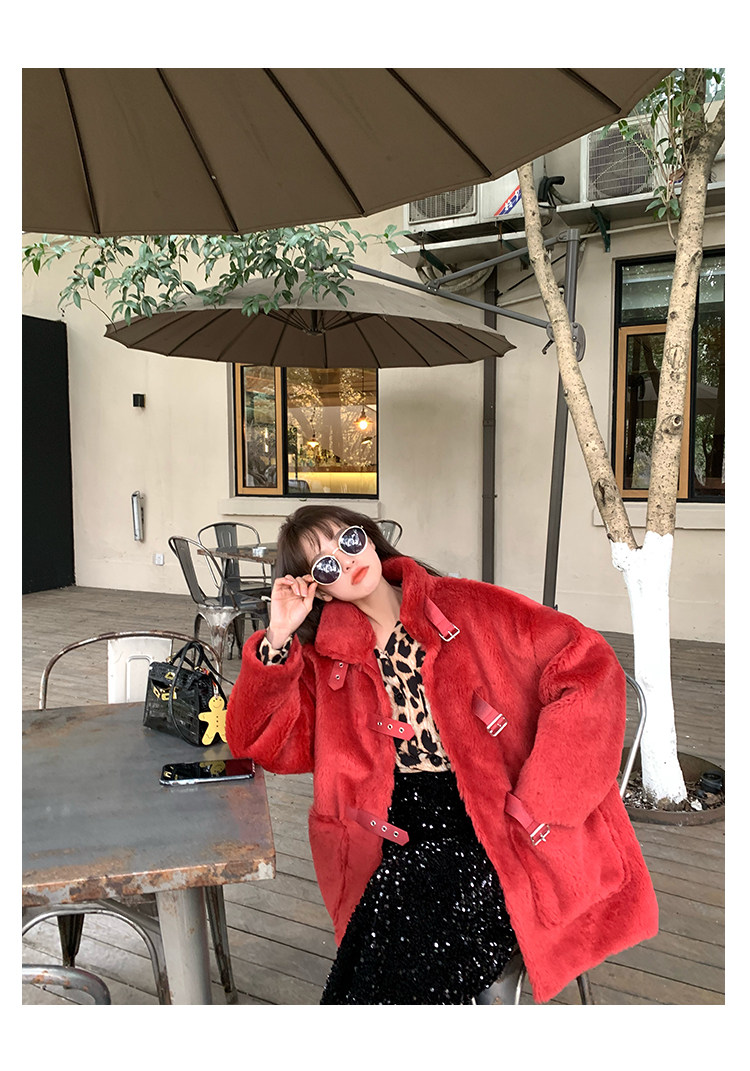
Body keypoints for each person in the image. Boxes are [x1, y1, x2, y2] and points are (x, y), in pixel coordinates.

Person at [226, 505, 659, 1005]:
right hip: (393, 826)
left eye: (348, 542)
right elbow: (257, 741)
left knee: (400, 916)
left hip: (495, 823)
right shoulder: (326, 660)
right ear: (318, 590)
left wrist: (543, 797)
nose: (345, 562)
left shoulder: (470, 608)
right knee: (396, 912)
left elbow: (588, 665)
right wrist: (278, 638)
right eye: (325, 566)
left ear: (368, 537)